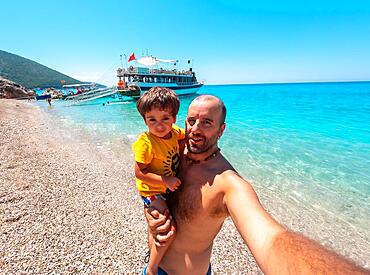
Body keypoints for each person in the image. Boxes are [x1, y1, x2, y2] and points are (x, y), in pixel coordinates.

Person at [144, 95, 367, 275]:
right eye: (191, 121)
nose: (195, 129)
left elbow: (271, 240)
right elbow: (146, 181)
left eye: (207, 123)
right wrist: (150, 213)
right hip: (152, 265)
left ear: (221, 130)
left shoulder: (228, 184)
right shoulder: (174, 150)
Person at [133, 87, 184, 275]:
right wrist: (165, 181)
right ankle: (152, 268)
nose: (159, 125)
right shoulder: (146, 142)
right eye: (151, 119)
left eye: (165, 119)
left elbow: (185, 138)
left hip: (165, 187)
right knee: (167, 229)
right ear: (145, 120)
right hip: (151, 190)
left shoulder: (175, 132)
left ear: (174, 118)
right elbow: (139, 173)